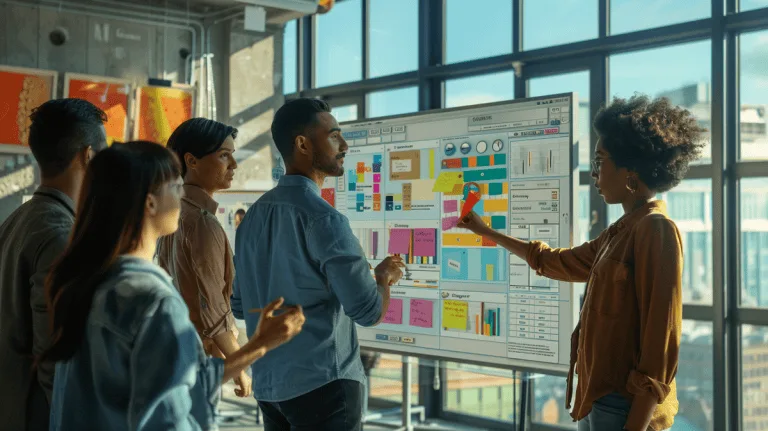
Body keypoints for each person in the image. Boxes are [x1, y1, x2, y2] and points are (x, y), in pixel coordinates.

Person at [459, 95, 704, 431]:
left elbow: (660, 346)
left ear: (630, 174)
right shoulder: (621, 231)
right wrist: (487, 232)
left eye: (601, 161)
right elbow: (552, 261)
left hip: (626, 409)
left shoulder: (655, 229)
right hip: (598, 401)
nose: (595, 174)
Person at [40, 141, 305, 430]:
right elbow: (170, 417)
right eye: (177, 187)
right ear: (149, 202)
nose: (182, 197)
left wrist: (259, 345)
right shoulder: (152, 301)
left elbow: (178, 378)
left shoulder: (90, 282)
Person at [232, 98, 405, 431]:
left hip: (269, 389)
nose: (344, 145)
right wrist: (384, 277)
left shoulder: (251, 219)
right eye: (334, 135)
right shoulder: (324, 219)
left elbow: (239, 306)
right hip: (324, 387)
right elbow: (368, 311)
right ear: (302, 144)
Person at [0, 99, 107, 431]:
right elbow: (55, 359)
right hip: (42, 417)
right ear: (87, 156)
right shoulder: (62, 235)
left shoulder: (17, 219)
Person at [157, 118, 251, 401]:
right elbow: (213, 310)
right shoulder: (202, 223)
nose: (233, 165)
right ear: (192, 160)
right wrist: (240, 368)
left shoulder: (171, 213)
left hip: (175, 352)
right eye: (224, 155)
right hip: (197, 361)